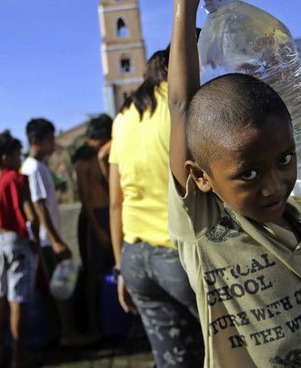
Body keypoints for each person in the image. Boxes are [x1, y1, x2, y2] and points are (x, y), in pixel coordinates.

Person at [164, 0, 301, 367]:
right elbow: (182, 106)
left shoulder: (298, 208)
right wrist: (185, 1)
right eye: (248, 174)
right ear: (201, 177)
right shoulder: (204, 225)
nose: (273, 185)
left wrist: (295, 102)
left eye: (285, 160)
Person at [109, 48, 204, 367]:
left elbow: (115, 202)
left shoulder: (124, 116)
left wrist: (120, 267)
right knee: (231, 352)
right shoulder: (186, 104)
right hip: (180, 256)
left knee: (172, 360)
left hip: (136, 258)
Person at [22, 118, 92, 347]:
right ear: (36, 141)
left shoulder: (35, 167)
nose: (53, 144)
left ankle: (57, 331)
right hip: (46, 240)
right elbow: (39, 205)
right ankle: (67, 334)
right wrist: (55, 240)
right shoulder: (34, 169)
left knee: (54, 288)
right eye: (50, 140)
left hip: (45, 238)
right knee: (61, 289)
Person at [0, 130, 39, 368]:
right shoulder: (16, 180)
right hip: (16, 243)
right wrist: (34, 237)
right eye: (16, 155)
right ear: (5, 158)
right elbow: (30, 216)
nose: (19, 159)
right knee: (18, 302)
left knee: (2, 299)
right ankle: (18, 357)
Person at [72, 113, 114, 338]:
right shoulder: (83, 160)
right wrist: (98, 229)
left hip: (107, 214)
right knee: (92, 274)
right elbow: (85, 200)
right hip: (93, 219)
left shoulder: (102, 155)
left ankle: (112, 320)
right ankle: (93, 325)